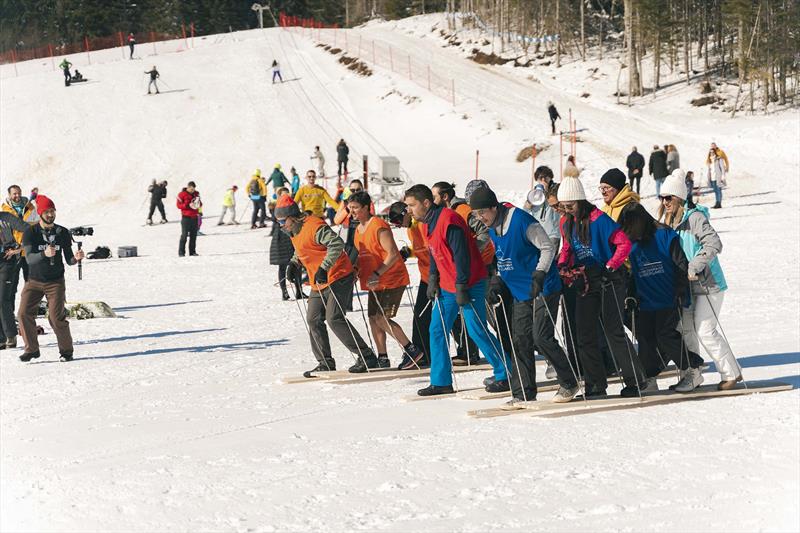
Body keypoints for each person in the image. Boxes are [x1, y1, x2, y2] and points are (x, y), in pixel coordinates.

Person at [470, 187, 580, 406]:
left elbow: (547, 247)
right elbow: (502, 258)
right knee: (520, 339)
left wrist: (540, 274)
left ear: (494, 207)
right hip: (519, 290)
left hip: (543, 286)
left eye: (483, 211)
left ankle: (570, 381)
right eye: (476, 213)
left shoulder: (521, 221)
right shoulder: (492, 227)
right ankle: (523, 392)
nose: (480, 217)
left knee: (541, 337)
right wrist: (497, 281)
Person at [403, 184, 511, 397]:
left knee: (476, 329)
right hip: (447, 285)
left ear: (426, 203)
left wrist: (462, 286)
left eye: (412, 205)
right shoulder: (426, 224)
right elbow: (434, 253)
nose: (409, 210)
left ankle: (506, 372)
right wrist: (433, 278)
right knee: (436, 329)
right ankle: (441, 381)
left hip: (469, 282)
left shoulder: (449, 220)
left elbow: (462, 256)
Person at [556, 177, 647, 398]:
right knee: (584, 334)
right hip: (585, 281)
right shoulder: (567, 222)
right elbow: (567, 248)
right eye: (564, 207)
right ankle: (595, 385)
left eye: (571, 205)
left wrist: (610, 266)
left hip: (609, 280)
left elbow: (623, 243)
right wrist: (561, 266)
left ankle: (636, 381)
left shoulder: (599, 219)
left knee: (612, 330)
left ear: (580, 200)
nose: (568, 210)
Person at [657, 173, 743, 390]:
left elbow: (714, 244)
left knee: (705, 329)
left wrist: (694, 265)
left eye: (669, 197)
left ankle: (731, 373)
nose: (665, 202)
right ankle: (693, 375)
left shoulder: (694, 218)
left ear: (679, 197)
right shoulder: (667, 222)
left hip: (708, 285)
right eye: (662, 198)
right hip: (685, 286)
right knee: (686, 330)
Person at [275, 195, 377, 375]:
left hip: (339, 275)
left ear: (292, 216)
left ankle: (367, 356)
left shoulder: (314, 226)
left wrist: (324, 267)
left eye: (283, 220)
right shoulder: (293, 229)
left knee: (334, 318)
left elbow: (336, 244)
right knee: (313, 318)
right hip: (319, 280)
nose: (281, 225)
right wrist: (294, 263)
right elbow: (303, 247)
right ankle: (325, 362)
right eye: (278, 221)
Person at [618, 202, 705, 393]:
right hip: (646, 300)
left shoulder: (664, 235)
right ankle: (649, 378)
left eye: (629, 229)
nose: (628, 234)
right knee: (645, 338)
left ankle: (692, 368)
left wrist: (682, 291)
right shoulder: (632, 244)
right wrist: (630, 296)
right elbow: (634, 272)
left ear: (639, 222)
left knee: (664, 335)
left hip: (669, 297)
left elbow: (681, 264)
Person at [349, 191, 425, 370]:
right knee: (373, 319)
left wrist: (377, 273)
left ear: (367, 208)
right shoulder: (358, 230)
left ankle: (412, 350)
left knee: (381, 318)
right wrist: (356, 270)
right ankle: (382, 357)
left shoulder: (378, 225)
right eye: (350, 208)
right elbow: (363, 256)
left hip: (391, 278)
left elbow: (392, 254)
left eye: (355, 208)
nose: (351, 211)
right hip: (374, 281)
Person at [17, 195, 85, 362]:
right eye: (47, 212)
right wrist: (44, 254)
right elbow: (30, 258)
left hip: (55, 282)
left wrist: (76, 258)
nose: (50, 215)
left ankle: (66, 351)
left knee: (56, 317)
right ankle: (32, 350)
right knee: (23, 314)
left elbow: (68, 259)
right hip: (33, 281)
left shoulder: (62, 232)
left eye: (52, 211)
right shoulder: (30, 233)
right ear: (40, 213)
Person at [388, 201, 431, 366]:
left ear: (405, 213)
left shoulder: (421, 225)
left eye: (399, 221)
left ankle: (424, 355)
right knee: (421, 317)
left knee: (426, 318)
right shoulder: (412, 229)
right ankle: (423, 355)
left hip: (436, 278)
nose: (400, 226)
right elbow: (420, 249)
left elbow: (433, 249)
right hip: (426, 277)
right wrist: (408, 252)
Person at [0, 207, 34, 351]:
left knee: (3, 299)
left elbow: (28, 229)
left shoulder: (6, 217)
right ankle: (1, 338)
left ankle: (11, 336)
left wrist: (19, 248)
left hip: (7, 262)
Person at [270, 188, 303, 301]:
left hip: (291, 235)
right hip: (281, 238)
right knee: (282, 265)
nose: (286, 196)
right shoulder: (277, 209)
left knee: (297, 264)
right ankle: (284, 291)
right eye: (283, 194)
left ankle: (299, 291)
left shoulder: (291, 208)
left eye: (287, 194)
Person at [2, 185, 38, 283]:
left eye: (19, 193)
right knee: (10, 282)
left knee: (32, 281)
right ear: (9, 195)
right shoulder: (4, 210)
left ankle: (35, 299)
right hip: (12, 251)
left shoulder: (30, 208)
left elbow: (37, 226)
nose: (17, 196)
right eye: (14, 194)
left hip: (29, 250)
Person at [176, 181, 201, 257]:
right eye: (191, 189)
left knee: (193, 236)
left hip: (194, 217)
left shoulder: (196, 194)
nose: (192, 190)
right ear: (188, 187)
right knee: (184, 235)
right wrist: (186, 205)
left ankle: (192, 252)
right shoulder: (181, 194)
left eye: (193, 189)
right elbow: (178, 205)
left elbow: (200, 204)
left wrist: (198, 204)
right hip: (186, 218)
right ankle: (181, 253)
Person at [705, 143, 729, 209]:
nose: (711, 153)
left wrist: (723, 176)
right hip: (712, 178)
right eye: (710, 152)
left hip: (718, 177)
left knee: (718, 190)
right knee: (715, 191)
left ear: (715, 152)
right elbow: (708, 171)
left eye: (712, 152)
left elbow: (722, 168)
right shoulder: (709, 161)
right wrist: (708, 178)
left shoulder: (719, 159)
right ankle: (716, 202)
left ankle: (719, 203)